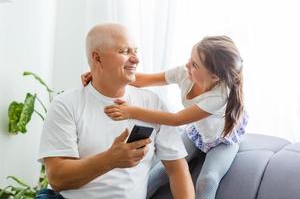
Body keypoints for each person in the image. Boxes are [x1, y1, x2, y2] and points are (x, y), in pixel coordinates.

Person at [36, 23, 195, 199]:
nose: (136, 59)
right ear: (97, 58)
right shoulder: (66, 104)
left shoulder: (152, 104)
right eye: (124, 51)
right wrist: (109, 160)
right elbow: (57, 178)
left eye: (135, 51)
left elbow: (177, 171)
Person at [82, 35, 248, 199]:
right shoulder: (185, 73)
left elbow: (176, 120)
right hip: (197, 133)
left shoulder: (219, 97)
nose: (187, 65)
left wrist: (131, 111)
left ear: (214, 77)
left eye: (195, 65)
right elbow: (146, 80)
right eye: (190, 59)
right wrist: (102, 75)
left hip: (222, 140)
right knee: (161, 170)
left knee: (208, 180)